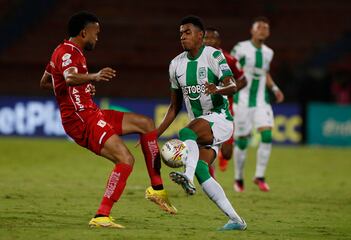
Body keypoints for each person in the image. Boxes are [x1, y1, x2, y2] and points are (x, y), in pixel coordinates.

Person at [39, 11, 176, 228]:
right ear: (84, 32)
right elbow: (70, 77)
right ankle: (101, 215)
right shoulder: (69, 53)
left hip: (91, 111)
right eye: (96, 33)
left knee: (146, 124)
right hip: (81, 119)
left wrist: (82, 86)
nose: (97, 38)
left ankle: (157, 190)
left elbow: (46, 82)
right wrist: (92, 77)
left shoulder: (62, 50)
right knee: (126, 159)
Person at [157, 15, 247, 231]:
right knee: (201, 168)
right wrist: (155, 133)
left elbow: (232, 85)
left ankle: (186, 177)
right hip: (202, 126)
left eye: (187, 32)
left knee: (187, 131)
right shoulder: (175, 65)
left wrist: (218, 89)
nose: (182, 36)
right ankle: (236, 220)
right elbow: (174, 106)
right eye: (180, 33)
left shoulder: (214, 56)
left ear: (200, 35)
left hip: (220, 119)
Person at [230, 16, 284, 192]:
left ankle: (259, 176)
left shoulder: (269, 52)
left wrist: (275, 88)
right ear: (252, 30)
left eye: (266, 28)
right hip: (242, 101)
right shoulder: (240, 48)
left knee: (267, 135)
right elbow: (229, 69)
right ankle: (238, 178)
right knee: (243, 142)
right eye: (259, 27)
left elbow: (265, 73)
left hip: (262, 101)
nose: (263, 30)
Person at [203, 27, 246, 176]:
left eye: (212, 38)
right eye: (205, 38)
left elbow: (243, 80)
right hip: (204, 109)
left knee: (227, 153)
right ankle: (209, 178)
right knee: (205, 145)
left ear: (218, 41)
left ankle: (222, 156)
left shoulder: (229, 59)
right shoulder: (197, 58)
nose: (208, 41)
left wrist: (226, 91)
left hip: (225, 108)